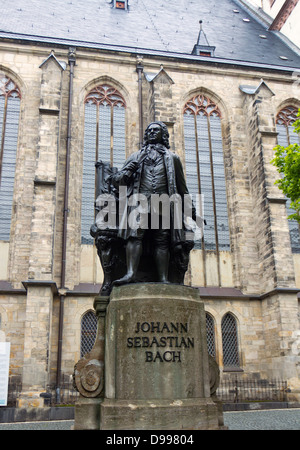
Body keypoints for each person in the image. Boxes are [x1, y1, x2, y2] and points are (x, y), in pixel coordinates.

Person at [111, 121, 197, 286]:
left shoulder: (173, 159)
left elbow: (182, 188)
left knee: (162, 239)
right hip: (139, 202)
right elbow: (117, 182)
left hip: (162, 202)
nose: (151, 133)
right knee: (134, 236)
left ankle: (163, 278)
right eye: (149, 130)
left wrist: (191, 211)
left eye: (155, 130)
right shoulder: (135, 157)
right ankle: (130, 274)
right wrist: (130, 170)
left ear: (163, 134)